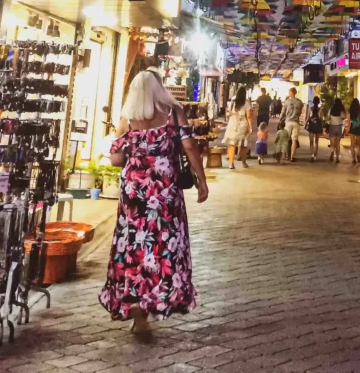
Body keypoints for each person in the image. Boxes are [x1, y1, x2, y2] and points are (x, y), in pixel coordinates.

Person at [100, 71, 208, 335]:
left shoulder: (127, 119)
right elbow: (190, 147)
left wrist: (138, 157)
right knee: (162, 247)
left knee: (134, 248)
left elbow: (115, 160)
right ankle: (158, 298)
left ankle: (136, 306)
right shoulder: (173, 113)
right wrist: (201, 180)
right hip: (164, 193)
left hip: (134, 195)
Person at [223, 86, 253, 170]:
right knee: (243, 145)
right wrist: (250, 127)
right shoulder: (246, 102)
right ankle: (243, 162)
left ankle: (231, 163)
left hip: (233, 124)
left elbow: (228, 113)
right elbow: (249, 116)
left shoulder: (233, 100)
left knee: (232, 144)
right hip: (243, 124)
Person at [280, 87, 303, 162]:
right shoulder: (300, 102)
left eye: (289, 92)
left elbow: (283, 112)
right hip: (296, 122)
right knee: (294, 140)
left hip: (288, 122)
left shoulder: (287, 101)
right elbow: (300, 112)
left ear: (291, 92)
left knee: (286, 139)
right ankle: (292, 157)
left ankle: (285, 156)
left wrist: (280, 119)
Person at [328, 98, 345, 163]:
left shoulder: (331, 109)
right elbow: (344, 117)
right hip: (339, 127)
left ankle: (332, 152)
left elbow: (328, 117)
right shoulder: (341, 110)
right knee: (337, 144)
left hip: (332, 126)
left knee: (332, 143)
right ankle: (337, 158)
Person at [348, 98, 360, 164]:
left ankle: (353, 159)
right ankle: (358, 155)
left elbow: (349, 121)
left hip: (352, 128)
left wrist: (348, 129)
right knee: (358, 143)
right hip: (358, 128)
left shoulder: (350, 111)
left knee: (352, 144)